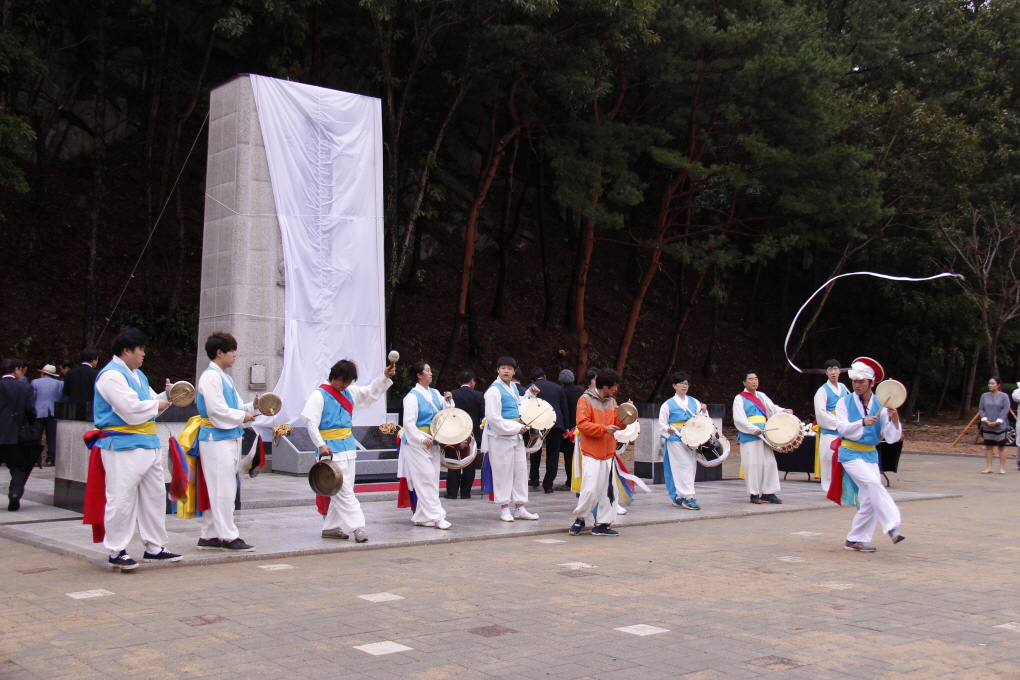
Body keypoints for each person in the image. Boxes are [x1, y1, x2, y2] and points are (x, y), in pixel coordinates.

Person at [89, 328, 180, 568]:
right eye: (141, 349)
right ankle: (117, 550)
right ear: (127, 350)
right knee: (121, 498)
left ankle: (154, 546)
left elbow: (150, 402)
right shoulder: (110, 375)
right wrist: (157, 403)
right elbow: (129, 409)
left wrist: (168, 396)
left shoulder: (138, 375)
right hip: (122, 444)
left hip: (147, 442)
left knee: (154, 497)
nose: (143, 354)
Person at [301, 359, 394, 542]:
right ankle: (358, 526)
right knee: (344, 491)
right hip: (330, 450)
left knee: (344, 489)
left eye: (349, 381)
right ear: (334, 377)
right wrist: (320, 444)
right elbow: (310, 421)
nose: (345, 385)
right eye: (343, 381)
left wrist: (384, 376)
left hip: (349, 447)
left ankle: (330, 527)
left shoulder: (349, 392)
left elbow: (369, 392)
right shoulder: (319, 395)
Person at [195, 332, 259, 552]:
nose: (234, 355)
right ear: (219, 353)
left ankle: (210, 534)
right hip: (215, 438)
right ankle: (229, 536)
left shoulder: (225, 378)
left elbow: (236, 406)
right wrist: (243, 416)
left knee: (222, 487)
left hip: (227, 437)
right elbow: (216, 410)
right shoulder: (210, 377)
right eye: (231, 351)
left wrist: (252, 408)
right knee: (223, 489)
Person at [833, 357, 905, 552]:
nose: (857, 385)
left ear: (872, 383)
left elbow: (891, 437)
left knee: (870, 499)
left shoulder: (881, 404)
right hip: (850, 453)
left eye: (861, 382)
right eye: (854, 381)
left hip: (870, 454)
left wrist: (895, 419)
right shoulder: (844, 402)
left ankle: (855, 539)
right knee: (874, 484)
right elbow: (842, 428)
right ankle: (892, 527)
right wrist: (862, 423)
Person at [483, 356, 540, 522]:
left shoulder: (513, 387)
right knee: (503, 472)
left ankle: (520, 507)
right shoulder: (493, 391)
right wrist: (516, 428)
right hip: (500, 436)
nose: (506, 371)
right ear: (497, 370)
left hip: (516, 435)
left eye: (509, 368)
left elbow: (518, 405)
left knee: (520, 471)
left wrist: (529, 394)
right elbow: (493, 418)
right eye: (503, 368)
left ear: (515, 371)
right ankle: (504, 508)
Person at [399, 361, 455, 528]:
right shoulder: (412, 397)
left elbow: (446, 411)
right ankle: (438, 516)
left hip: (434, 441)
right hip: (416, 444)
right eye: (428, 370)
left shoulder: (435, 393)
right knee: (426, 478)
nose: (431, 373)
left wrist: (448, 400)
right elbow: (408, 423)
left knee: (432, 478)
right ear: (419, 375)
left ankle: (422, 516)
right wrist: (421, 438)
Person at [569, 368, 622, 536]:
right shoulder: (585, 399)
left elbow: (619, 423)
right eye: (613, 386)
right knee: (590, 488)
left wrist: (627, 416)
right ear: (605, 386)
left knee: (610, 490)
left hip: (609, 453)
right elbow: (582, 425)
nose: (615, 389)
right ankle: (580, 518)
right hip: (591, 452)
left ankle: (603, 524)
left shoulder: (613, 402)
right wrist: (604, 429)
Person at [733, 370, 792, 504]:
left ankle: (768, 492)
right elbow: (739, 418)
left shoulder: (762, 396)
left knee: (769, 463)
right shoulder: (739, 398)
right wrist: (753, 429)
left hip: (765, 433)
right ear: (744, 382)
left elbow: (772, 409)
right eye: (750, 379)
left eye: (756, 379)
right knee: (752, 464)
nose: (754, 381)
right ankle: (754, 493)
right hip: (750, 435)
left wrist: (783, 411)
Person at [658, 371, 708, 510]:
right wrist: (667, 429)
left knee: (690, 465)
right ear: (674, 385)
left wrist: (704, 411)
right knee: (684, 465)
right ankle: (688, 497)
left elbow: (701, 419)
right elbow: (662, 424)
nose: (684, 386)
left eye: (686, 383)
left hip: (691, 438)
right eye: (681, 383)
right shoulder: (667, 404)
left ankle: (680, 496)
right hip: (675, 438)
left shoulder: (694, 402)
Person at [0, 358, 40, 511]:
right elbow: (30, 410)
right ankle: (15, 493)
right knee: (18, 466)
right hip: (16, 434)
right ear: (16, 370)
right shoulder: (25, 387)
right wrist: (31, 424)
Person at [527, 367, 568, 493]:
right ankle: (548, 484)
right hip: (555, 423)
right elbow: (564, 408)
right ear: (545, 376)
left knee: (535, 450)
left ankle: (534, 478)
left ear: (532, 380)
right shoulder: (558, 388)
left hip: (537, 423)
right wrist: (565, 427)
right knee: (553, 453)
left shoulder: (530, 388)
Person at [447, 370, 484, 499]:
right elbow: (483, 415)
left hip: (455, 431)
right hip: (472, 433)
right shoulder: (479, 395)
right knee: (469, 464)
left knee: (453, 461)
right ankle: (465, 492)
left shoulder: (452, 394)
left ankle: (452, 493)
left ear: (459, 382)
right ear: (472, 381)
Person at [813, 359, 849, 493]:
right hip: (829, 430)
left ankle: (842, 487)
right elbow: (821, 413)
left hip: (843, 430)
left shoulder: (844, 388)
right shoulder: (822, 391)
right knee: (828, 459)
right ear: (826, 372)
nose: (833, 372)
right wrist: (838, 423)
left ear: (839, 371)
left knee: (843, 459)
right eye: (830, 370)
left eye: (835, 369)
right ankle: (829, 488)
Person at [32, 365, 63, 466]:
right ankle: (50, 459)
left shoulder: (35, 382)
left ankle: (36, 459)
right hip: (53, 411)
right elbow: (60, 397)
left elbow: (32, 397)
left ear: (43, 373)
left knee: (37, 436)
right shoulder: (59, 383)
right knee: (52, 436)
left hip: (38, 411)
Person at [980, 377, 1012, 475]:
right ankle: (989, 467)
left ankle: (1002, 468)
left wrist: (998, 421)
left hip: (1000, 426)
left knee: (1001, 447)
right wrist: (986, 420)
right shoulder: (984, 396)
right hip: (987, 425)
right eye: (989, 383)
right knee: (989, 447)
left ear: (998, 385)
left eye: (993, 383)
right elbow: (981, 409)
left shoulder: (1004, 396)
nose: (990, 385)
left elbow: (1005, 409)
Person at [558, 369, 584, 491]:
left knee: (569, 456)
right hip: (580, 427)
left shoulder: (562, 392)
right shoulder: (581, 391)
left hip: (568, 428)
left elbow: (563, 411)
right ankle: (581, 479)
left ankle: (570, 481)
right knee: (579, 455)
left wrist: (565, 428)